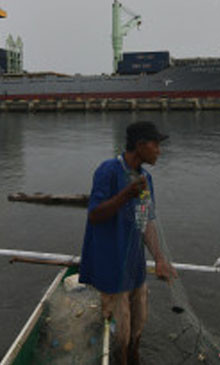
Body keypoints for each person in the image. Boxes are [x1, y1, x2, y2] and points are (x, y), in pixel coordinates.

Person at [79, 121, 178, 365]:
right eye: (156, 145)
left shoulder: (145, 179)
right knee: (120, 332)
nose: (159, 151)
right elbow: (94, 215)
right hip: (111, 266)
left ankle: (135, 355)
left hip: (135, 267)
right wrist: (125, 195)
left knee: (138, 324)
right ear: (141, 145)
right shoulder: (108, 171)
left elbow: (145, 221)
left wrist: (160, 259)